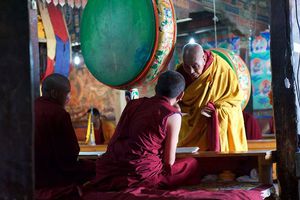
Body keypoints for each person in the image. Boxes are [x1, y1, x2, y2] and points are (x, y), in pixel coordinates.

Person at [85, 70, 201, 192]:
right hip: (141, 173)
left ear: (156, 88)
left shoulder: (133, 104)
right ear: (181, 95)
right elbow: (169, 162)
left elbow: (117, 137)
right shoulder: (172, 115)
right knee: (192, 164)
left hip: (110, 166)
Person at [176, 43, 248, 152]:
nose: (190, 71)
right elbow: (176, 102)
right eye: (187, 66)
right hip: (189, 133)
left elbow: (234, 103)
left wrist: (215, 110)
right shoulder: (181, 72)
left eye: (195, 66)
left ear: (204, 58)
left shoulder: (222, 70)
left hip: (215, 129)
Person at [35, 73, 95, 199]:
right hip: (52, 176)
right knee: (96, 168)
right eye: (67, 93)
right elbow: (71, 152)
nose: (69, 97)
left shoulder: (30, 108)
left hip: (30, 174)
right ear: (54, 94)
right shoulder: (59, 114)